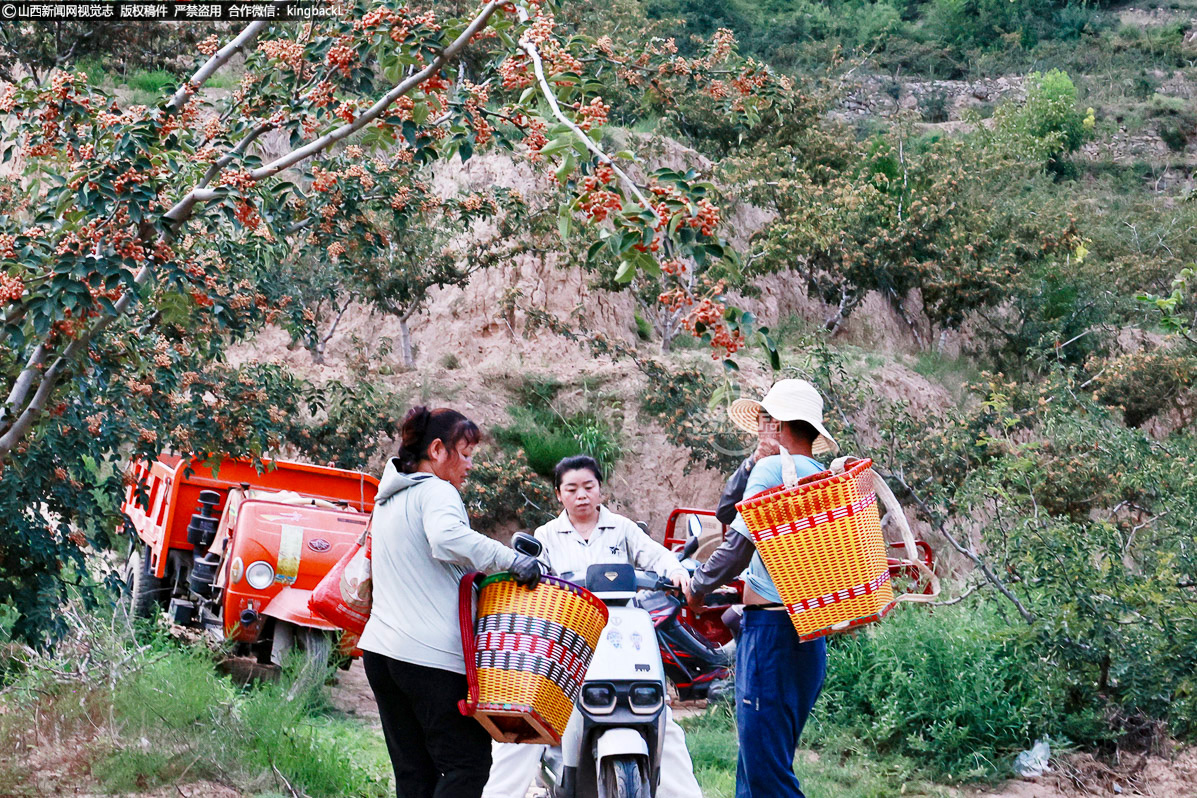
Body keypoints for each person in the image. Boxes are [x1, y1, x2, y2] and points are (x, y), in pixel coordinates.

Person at [482, 455, 704, 798]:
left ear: (600, 489)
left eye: (588, 487)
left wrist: (674, 570)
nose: (581, 495)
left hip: (624, 641)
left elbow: (655, 556)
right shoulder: (547, 535)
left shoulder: (623, 529)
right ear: (559, 494)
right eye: (571, 489)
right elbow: (534, 572)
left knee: (663, 723)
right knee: (524, 729)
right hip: (569, 645)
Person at [359, 406, 544, 798]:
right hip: (429, 659)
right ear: (438, 450)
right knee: (467, 766)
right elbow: (446, 539)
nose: (470, 464)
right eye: (465, 452)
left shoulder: (388, 498)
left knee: (415, 774)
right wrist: (511, 560)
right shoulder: (436, 490)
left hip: (381, 654)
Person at [684, 380, 839, 798]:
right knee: (756, 770)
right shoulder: (820, 477)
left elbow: (735, 546)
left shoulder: (775, 473)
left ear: (778, 423)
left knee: (767, 776)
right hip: (807, 637)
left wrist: (697, 589)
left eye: (766, 418)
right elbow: (728, 511)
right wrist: (754, 460)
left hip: (770, 634)